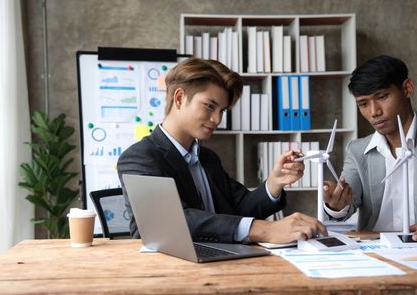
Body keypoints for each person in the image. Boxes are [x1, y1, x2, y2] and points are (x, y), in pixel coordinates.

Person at [117, 57, 326, 244]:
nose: (217, 119)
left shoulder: (207, 158)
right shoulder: (139, 157)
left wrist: (274, 182)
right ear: (179, 98)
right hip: (174, 268)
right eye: (209, 106)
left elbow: (241, 208)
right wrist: (264, 229)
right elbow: (165, 221)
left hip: (223, 261)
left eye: (222, 111)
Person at [324, 55, 417, 249]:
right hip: (373, 253)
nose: (374, 112)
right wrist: (336, 205)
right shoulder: (358, 150)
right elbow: (345, 207)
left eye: (382, 97)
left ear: (407, 89)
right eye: (363, 104)